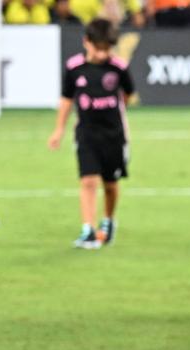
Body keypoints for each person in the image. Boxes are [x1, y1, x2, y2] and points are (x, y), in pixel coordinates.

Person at [48, 18, 134, 250]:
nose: (102, 54)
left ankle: (107, 221)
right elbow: (66, 99)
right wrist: (59, 130)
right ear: (86, 42)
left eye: (107, 49)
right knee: (87, 180)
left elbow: (127, 94)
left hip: (114, 135)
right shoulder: (74, 67)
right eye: (98, 48)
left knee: (110, 184)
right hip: (86, 133)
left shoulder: (118, 67)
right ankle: (88, 229)